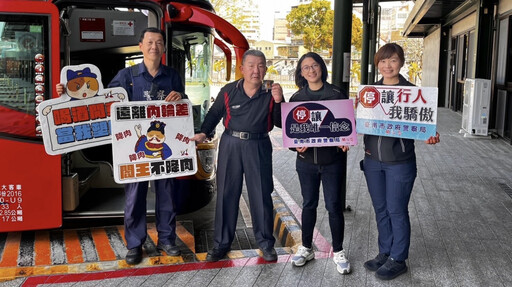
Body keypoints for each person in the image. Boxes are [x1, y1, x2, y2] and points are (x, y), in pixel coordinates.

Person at [57, 27, 186, 265]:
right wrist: (68, 94)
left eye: (159, 42)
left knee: (166, 193)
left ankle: (167, 240)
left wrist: (180, 97)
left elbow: (183, 108)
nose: (154, 47)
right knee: (134, 196)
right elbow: (101, 99)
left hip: (164, 150)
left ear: (164, 47)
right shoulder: (127, 76)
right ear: (140, 46)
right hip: (134, 149)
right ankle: (135, 244)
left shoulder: (172, 76)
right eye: (149, 42)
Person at [191, 49, 284, 262]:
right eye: (251, 65)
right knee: (226, 193)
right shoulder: (229, 90)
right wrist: (204, 132)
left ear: (265, 69)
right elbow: (214, 113)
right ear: (242, 69)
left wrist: (279, 101)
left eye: (260, 65)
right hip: (231, 143)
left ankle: (266, 243)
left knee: (261, 194)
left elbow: (280, 122)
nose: (256, 70)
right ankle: (221, 244)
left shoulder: (271, 92)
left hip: (259, 144)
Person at [361, 43, 440, 280]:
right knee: (381, 209)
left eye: (393, 60)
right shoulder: (370, 92)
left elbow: (425, 128)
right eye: (383, 61)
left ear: (401, 62)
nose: (387, 66)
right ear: (378, 63)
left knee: (396, 209)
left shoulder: (413, 94)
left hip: (400, 163)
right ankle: (385, 252)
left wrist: (431, 136)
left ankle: (399, 258)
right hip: (373, 161)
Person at [287, 52, 351, 274]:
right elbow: (291, 132)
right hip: (306, 162)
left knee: (334, 206)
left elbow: (346, 126)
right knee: (308, 204)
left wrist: (346, 140)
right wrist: (296, 146)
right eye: (306, 67)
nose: (311, 70)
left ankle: (339, 251)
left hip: (333, 162)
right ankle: (306, 247)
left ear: (322, 68)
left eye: (314, 65)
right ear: (301, 72)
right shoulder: (296, 98)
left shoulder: (336, 94)